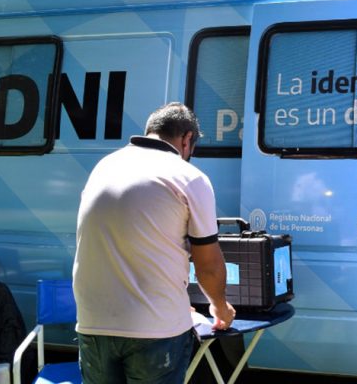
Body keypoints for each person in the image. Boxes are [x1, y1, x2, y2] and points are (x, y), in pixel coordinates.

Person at [72, 103, 236, 384]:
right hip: (156, 330)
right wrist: (221, 307)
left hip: (92, 322)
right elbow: (208, 265)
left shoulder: (104, 166)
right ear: (186, 139)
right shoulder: (189, 177)